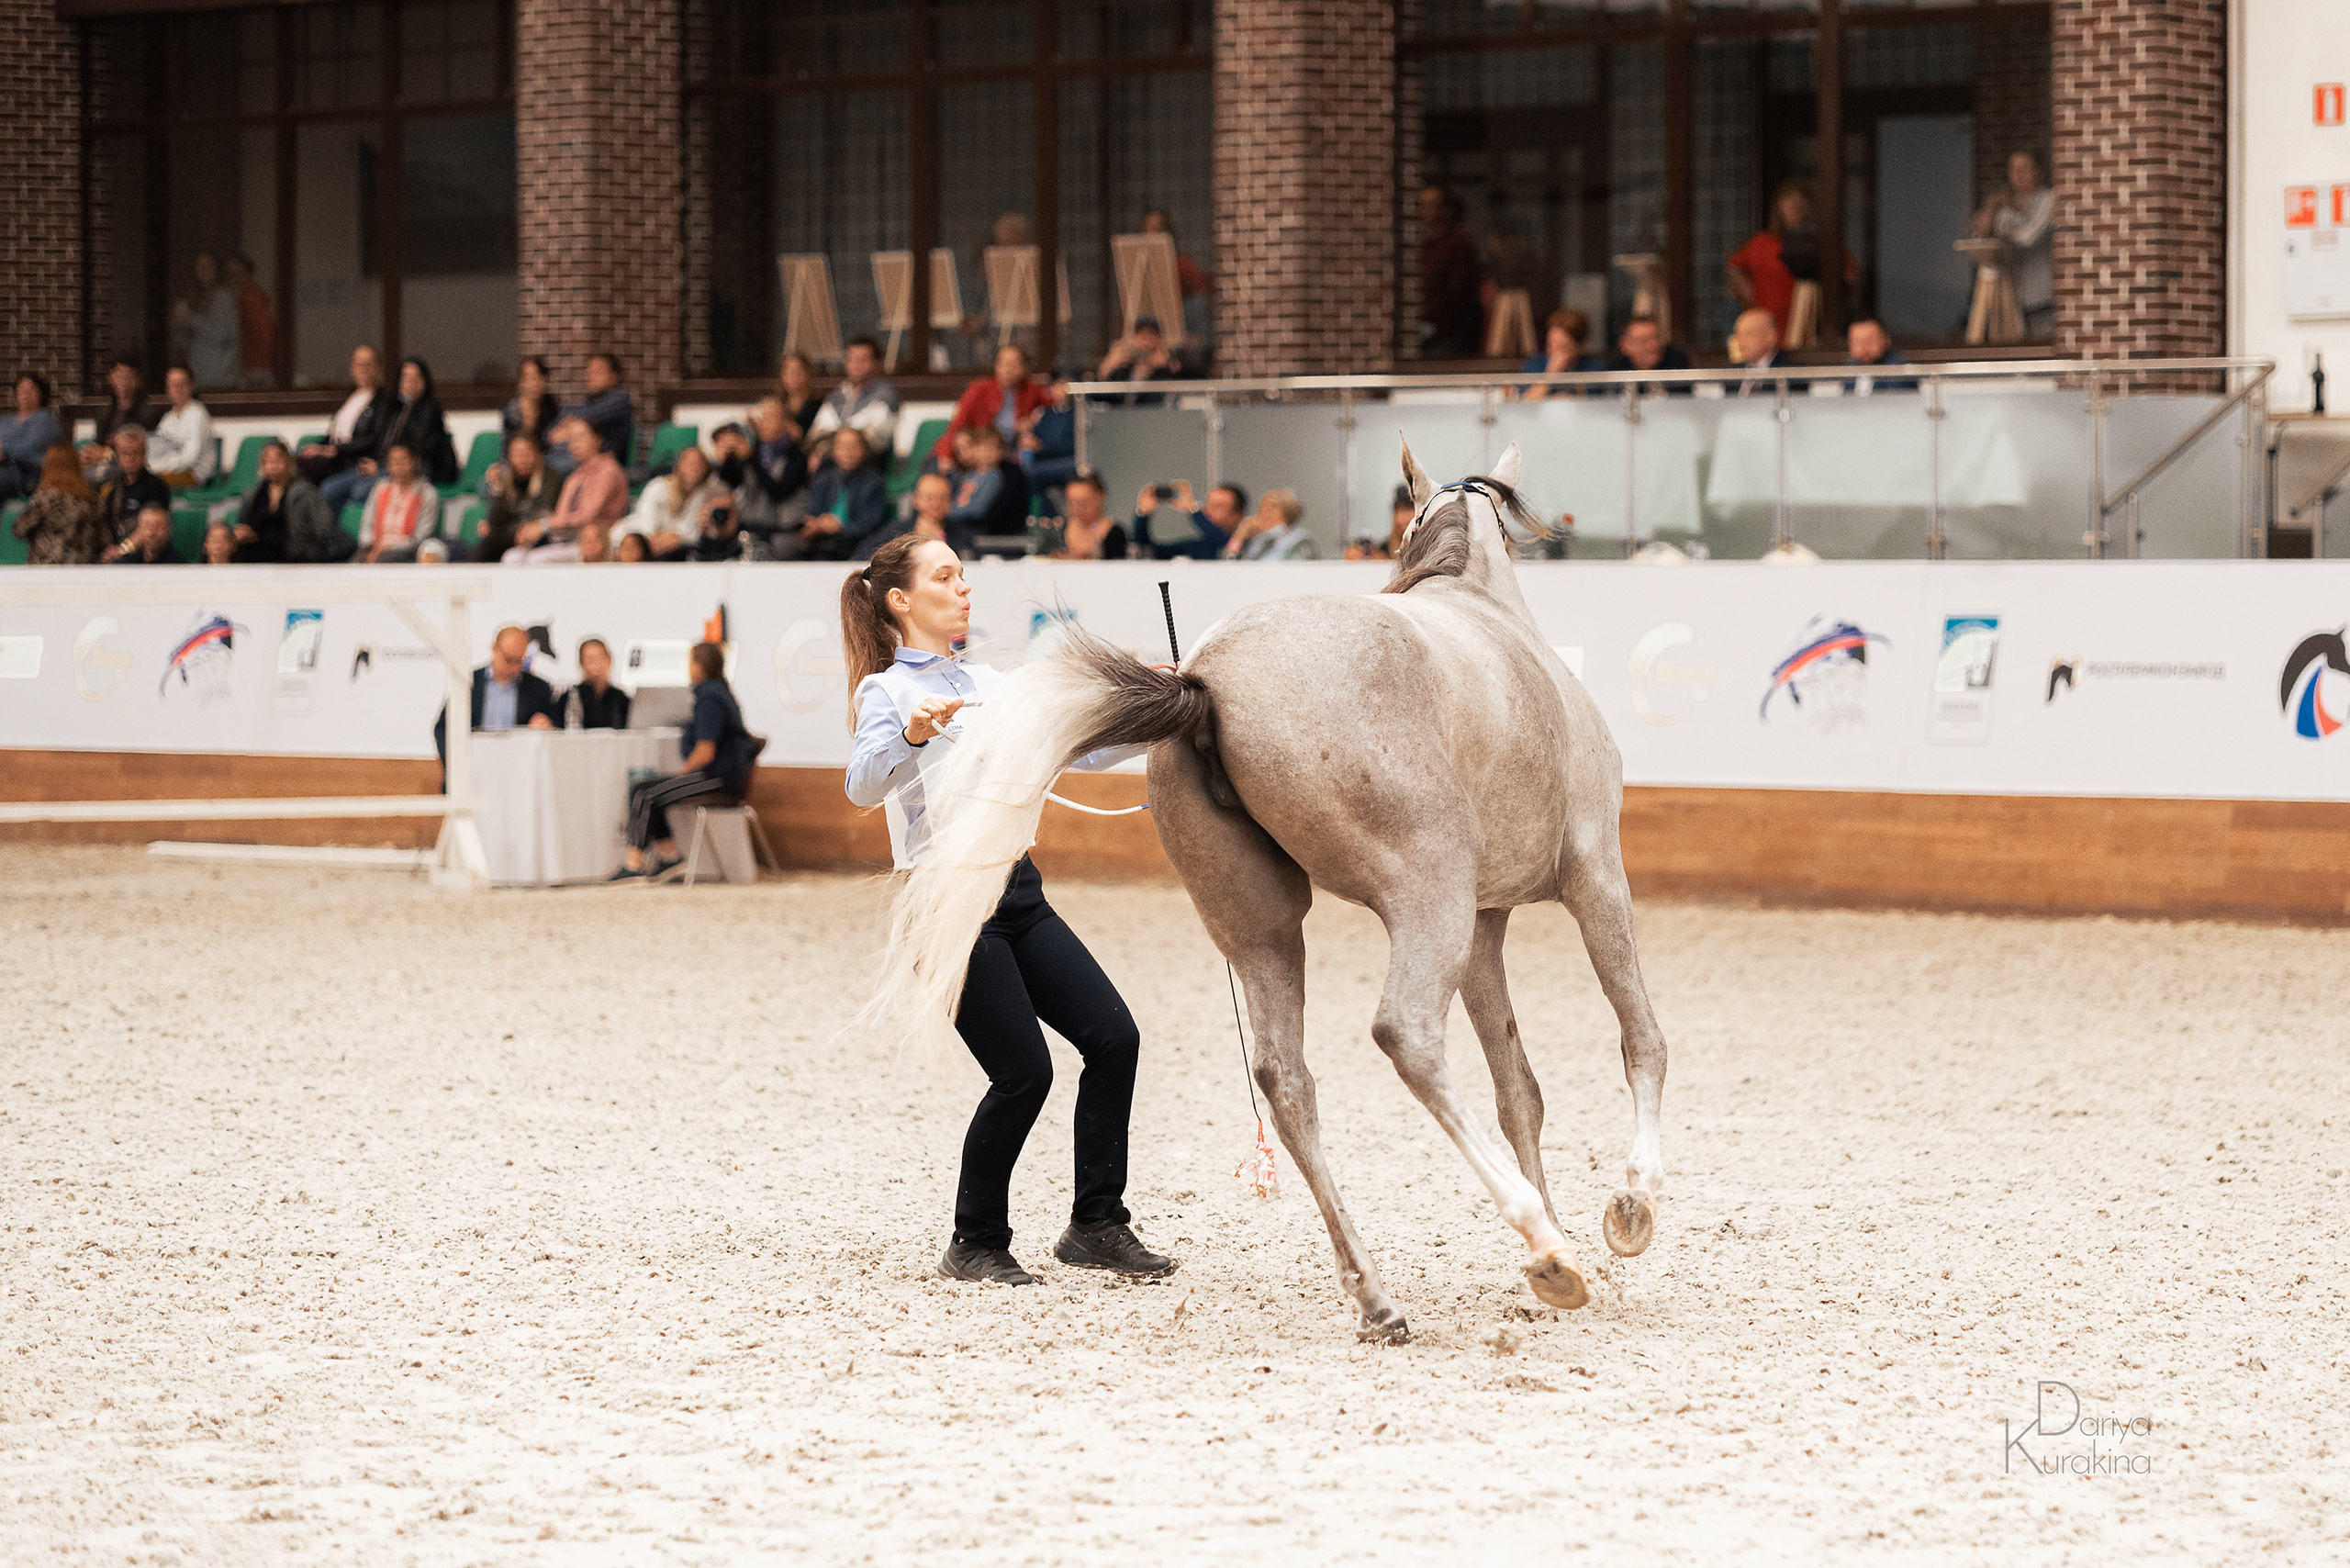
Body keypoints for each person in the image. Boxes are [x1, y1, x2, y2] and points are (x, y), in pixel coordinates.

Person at [839, 534, 1175, 1286]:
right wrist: (912, 731)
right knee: (1023, 1073)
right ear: (900, 600)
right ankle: (975, 1240)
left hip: (1017, 890)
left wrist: (1153, 708)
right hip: (946, 900)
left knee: (1114, 1038)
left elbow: (1075, 751)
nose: (964, 587)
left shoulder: (992, 682)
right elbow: (863, 786)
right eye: (945, 576)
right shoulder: (885, 692)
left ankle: (1096, 1223)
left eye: (963, 574)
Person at [612, 642, 758, 880]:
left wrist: (683, 774)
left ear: (698, 666)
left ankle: (634, 864)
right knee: (652, 792)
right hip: (724, 775)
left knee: (643, 792)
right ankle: (670, 858)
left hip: (717, 777)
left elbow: (705, 751)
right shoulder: (721, 692)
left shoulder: (709, 698)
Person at [1728, 180, 1857, 343]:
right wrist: (1751, 296)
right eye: (1788, 200)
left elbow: (1850, 275)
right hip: (1769, 328)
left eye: (1801, 200)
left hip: (1810, 327)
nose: (1795, 206)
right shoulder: (1762, 243)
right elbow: (1734, 266)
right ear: (1778, 206)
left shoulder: (1823, 243)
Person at [434, 624, 559, 773]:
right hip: (473, 771)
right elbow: (442, 727)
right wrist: (457, 763)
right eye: (508, 659)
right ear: (494, 648)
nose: (513, 668)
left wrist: (545, 723)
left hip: (519, 772)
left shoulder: (538, 688)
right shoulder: (468, 684)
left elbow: (556, 725)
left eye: (519, 661)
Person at [506, 419, 627, 563]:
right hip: (565, 540)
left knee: (538, 560)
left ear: (597, 440)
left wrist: (544, 525)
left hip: (595, 543)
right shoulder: (573, 477)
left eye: (581, 437)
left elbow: (586, 516)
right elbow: (561, 515)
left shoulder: (608, 471)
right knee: (512, 557)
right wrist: (532, 532)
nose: (575, 443)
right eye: (572, 438)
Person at [302, 346, 399, 502]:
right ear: (352, 368)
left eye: (368, 364)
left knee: (322, 487)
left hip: (354, 462)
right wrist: (319, 447)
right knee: (292, 471)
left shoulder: (384, 401)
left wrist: (336, 450)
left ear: (378, 368)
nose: (363, 369)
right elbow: (336, 434)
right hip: (337, 457)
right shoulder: (349, 399)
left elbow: (373, 438)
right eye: (358, 364)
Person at [1977, 151, 2055, 341]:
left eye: (2024, 169)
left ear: (2039, 172)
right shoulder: (2013, 203)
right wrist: (1989, 213)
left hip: (2044, 300)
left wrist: (2003, 217)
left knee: (2044, 353)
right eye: (2013, 169)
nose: (2018, 174)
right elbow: (1984, 235)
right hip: (2016, 301)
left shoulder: (2048, 199)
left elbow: (2029, 236)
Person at [232, 440, 346, 563]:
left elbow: (323, 530)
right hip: (255, 556)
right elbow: (243, 524)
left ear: (289, 462)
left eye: (278, 460)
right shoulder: (253, 496)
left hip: (292, 557)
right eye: (268, 461)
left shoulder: (304, 493)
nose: (273, 465)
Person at [791, 427, 890, 562]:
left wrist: (838, 527)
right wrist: (820, 523)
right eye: (843, 447)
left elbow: (870, 522)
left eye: (853, 447)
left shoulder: (874, 482)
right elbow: (813, 511)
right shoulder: (824, 479)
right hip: (822, 540)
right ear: (834, 450)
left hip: (854, 542)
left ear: (863, 450)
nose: (848, 452)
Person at [939, 343, 1047, 465]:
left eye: (1014, 364)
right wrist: (946, 455)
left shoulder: (1031, 390)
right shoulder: (979, 389)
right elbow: (957, 424)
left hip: (1010, 453)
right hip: (979, 453)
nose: (1008, 369)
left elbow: (1054, 405)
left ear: (1024, 368)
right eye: (1003, 363)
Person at [722, 397, 811, 538]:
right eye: (762, 417)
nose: (764, 423)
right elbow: (731, 481)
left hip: (783, 532)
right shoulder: (754, 451)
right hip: (749, 529)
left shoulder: (796, 456)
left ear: (785, 423)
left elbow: (779, 492)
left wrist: (751, 460)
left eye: (771, 417)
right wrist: (729, 457)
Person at [621, 443, 727, 559]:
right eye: (689, 462)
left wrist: (678, 538)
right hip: (648, 542)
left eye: (699, 463)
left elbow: (694, 532)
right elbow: (645, 516)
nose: (694, 467)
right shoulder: (658, 486)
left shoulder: (707, 494)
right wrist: (652, 538)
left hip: (683, 550)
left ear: (706, 469)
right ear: (678, 465)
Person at [12, 445, 108, 565]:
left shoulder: (45, 499)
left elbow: (19, 530)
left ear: (47, 467)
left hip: (45, 572)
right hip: (82, 572)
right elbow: (104, 539)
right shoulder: (94, 500)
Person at [807, 335, 901, 454]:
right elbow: (817, 433)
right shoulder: (837, 394)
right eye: (852, 359)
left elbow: (872, 438)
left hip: (870, 464)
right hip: (832, 459)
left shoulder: (885, 394)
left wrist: (837, 436)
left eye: (863, 360)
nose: (857, 365)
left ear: (876, 363)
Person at [1418, 185, 1482, 359]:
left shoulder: (1458, 246)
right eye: (1421, 205)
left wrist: (1428, 314)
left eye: (1431, 205)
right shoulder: (1420, 246)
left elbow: (1459, 291)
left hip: (1449, 333)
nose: (1424, 211)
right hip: (1421, 330)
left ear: (1447, 210)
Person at [474, 431, 557, 562]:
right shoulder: (507, 479)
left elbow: (546, 512)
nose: (523, 458)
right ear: (509, 457)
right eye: (517, 454)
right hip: (514, 535)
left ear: (537, 454)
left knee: (495, 544)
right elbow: (497, 520)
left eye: (527, 452)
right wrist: (497, 488)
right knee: (486, 541)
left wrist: (523, 530)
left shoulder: (550, 477)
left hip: (542, 534)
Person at [356, 442, 443, 563]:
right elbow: (367, 522)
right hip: (375, 546)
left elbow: (421, 535)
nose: (399, 466)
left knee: (385, 561)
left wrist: (388, 545)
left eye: (404, 460)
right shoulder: (381, 488)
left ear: (415, 461)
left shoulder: (427, 493)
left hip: (405, 550)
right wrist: (370, 544)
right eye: (394, 461)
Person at [1142, 208, 1213, 357]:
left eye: (1155, 229)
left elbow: (1198, 305)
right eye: (1146, 229)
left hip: (1183, 341)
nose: (1150, 235)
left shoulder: (1182, 265)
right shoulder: (1142, 271)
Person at [377, 357, 457, 487]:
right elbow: (383, 439)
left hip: (425, 469)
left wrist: (410, 405)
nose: (410, 382)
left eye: (416, 377)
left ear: (425, 381)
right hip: (390, 466)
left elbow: (419, 444)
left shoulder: (431, 408)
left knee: (363, 490)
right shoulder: (394, 407)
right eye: (405, 377)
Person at [170, 252, 240, 390]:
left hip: (218, 377)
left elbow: (223, 334)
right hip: (198, 375)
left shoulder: (223, 297)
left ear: (216, 270)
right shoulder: (196, 297)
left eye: (207, 267)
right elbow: (184, 342)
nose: (202, 271)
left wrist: (193, 320)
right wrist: (180, 324)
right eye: (198, 267)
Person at [79, 358, 159, 476]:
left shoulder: (147, 414)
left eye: (128, 377)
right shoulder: (106, 411)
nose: (123, 382)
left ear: (137, 381)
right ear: (112, 377)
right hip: (105, 464)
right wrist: (89, 453)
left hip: (129, 468)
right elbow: (98, 442)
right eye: (119, 376)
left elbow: (144, 451)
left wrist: (107, 454)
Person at [95, 427, 171, 544]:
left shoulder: (156, 486)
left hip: (141, 552)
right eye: (125, 453)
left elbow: (152, 530)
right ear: (117, 456)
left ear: (144, 454)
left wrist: (123, 550)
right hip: (112, 548)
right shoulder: (110, 485)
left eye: (136, 452)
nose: (130, 458)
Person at [1133, 478, 1240, 561]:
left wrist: (1193, 509)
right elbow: (1149, 552)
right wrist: (1143, 515)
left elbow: (1226, 546)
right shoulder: (1197, 548)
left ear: (1238, 515)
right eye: (1207, 505)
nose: (1208, 511)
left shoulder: (1247, 545)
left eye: (1218, 506)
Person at [561, 353, 634, 471]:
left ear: (613, 376)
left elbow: (587, 418)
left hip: (604, 463)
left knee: (552, 469)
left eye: (597, 372)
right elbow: (552, 430)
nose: (591, 376)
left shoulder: (620, 400)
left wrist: (567, 429)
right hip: (576, 457)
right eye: (589, 372)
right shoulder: (588, 400)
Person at [146, 366, 218, 487]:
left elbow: (190, 459)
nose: (177, 390)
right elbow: (156, 448)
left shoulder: (197, 414)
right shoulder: (168, 418)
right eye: (173, 385)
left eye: (181, 385)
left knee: (150, 484)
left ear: (191, 386)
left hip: (194, 476)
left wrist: (158, 466)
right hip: (168, 471)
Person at [1517, 309, 1606, 401]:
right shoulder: (1535, 365)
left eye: (1563, 347)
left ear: (1580, 346)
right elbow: (1525, 402)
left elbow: (1592, 403)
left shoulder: (1593, 367)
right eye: (1550, 345)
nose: (1555, 353)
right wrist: (1550, 375)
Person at [1, 373, 63, 499]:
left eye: (31, 389)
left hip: (28, 473)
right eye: (22, 390)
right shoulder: (5, 420)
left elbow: (29, 448)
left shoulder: (45, 418)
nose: (26, 394)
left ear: (41, 393)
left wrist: (3, 451)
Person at [1095, 318, 1182, 407]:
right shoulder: (1123, 371)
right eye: (1142, 337)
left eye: (1151, 337)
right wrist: (1107, 368)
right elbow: (1100, 398)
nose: (1146, 344)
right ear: (1134, 339)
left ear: (1160, 341)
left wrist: (1164, 368)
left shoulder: (1165, 372)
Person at [1603, 314, 1695, 397]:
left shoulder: (1677, 363)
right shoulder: (1615, 371)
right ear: (1626, 344)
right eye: (1644, 341)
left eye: (1656, 338)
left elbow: (1683, 404)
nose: (1653, 346)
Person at [1019, 369, 1078, 493]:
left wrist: (1041, 447)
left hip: (1069, 460)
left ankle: (1036, 509)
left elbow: (1073, 445)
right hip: (1044, 460)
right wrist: (1027, 438)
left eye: (1066, 384)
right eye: (1057, 384)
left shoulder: (1077, 414)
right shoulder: (1046, 414)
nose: (1061, 389)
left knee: (1032, 473)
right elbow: (1036, 436)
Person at [1048, 470, 1128, 560]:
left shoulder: (1114, 534)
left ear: (1099, 498)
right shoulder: (1060, 531)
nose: (1076, 509)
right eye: (1071, 503)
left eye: (1083, 503)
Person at [1220, 488, 1318, 560]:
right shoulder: (1258, 540)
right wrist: (1238, 537)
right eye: (1262, 507)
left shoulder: (1301, 539)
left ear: (1288, 511)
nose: (1265, 512)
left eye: (1273, 507)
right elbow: (1230, 563)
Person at [225, 254, 274, 386]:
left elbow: (264, 336)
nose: (233, 279)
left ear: (248, 274)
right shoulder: (239, 299)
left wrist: (259, 367)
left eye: (237, 273)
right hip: (246, 368)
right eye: (230, 274)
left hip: (256, 371)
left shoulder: (252, 299)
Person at [560, 637, 631, 730]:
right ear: (581, 664)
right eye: (591, 659)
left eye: (601, 658)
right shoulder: (569, 698)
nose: (597, 664)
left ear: (609, 660)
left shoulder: (621, 699)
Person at [499, 356, 562, 458]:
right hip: (519, 460)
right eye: (528, 379)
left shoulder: (551, 406)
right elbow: (506, 448)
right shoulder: (512, 411)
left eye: (538, 377)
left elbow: (553, 438)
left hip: (545, 460)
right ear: (521, 382)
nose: (534, 383)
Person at [1731, 308, 1802, 396]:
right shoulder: (1732, 374)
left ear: (1770, 337)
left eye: (1748, 334)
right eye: (1738, 334)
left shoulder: (1792, 374)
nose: (1741, 341)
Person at [1842, 319, 1917, 395]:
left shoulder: (1897, 369)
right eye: (1857, 342)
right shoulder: (1849, 370)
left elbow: (1892, 401)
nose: (1864, 348)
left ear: (1886, 340)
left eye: (1870, 341)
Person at [106, 501, 185, 564]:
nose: (151, 533)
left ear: (168, 530)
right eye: (147, 526)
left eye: (158, 526)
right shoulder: (126, 564)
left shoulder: (177, 566)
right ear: (138, 529)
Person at [777, 352, 823, 446]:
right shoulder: (778, 403)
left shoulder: (816, 405)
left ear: (807, 374)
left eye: (798, 372)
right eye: (788, 372)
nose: (792, 377)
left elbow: (812, 439)